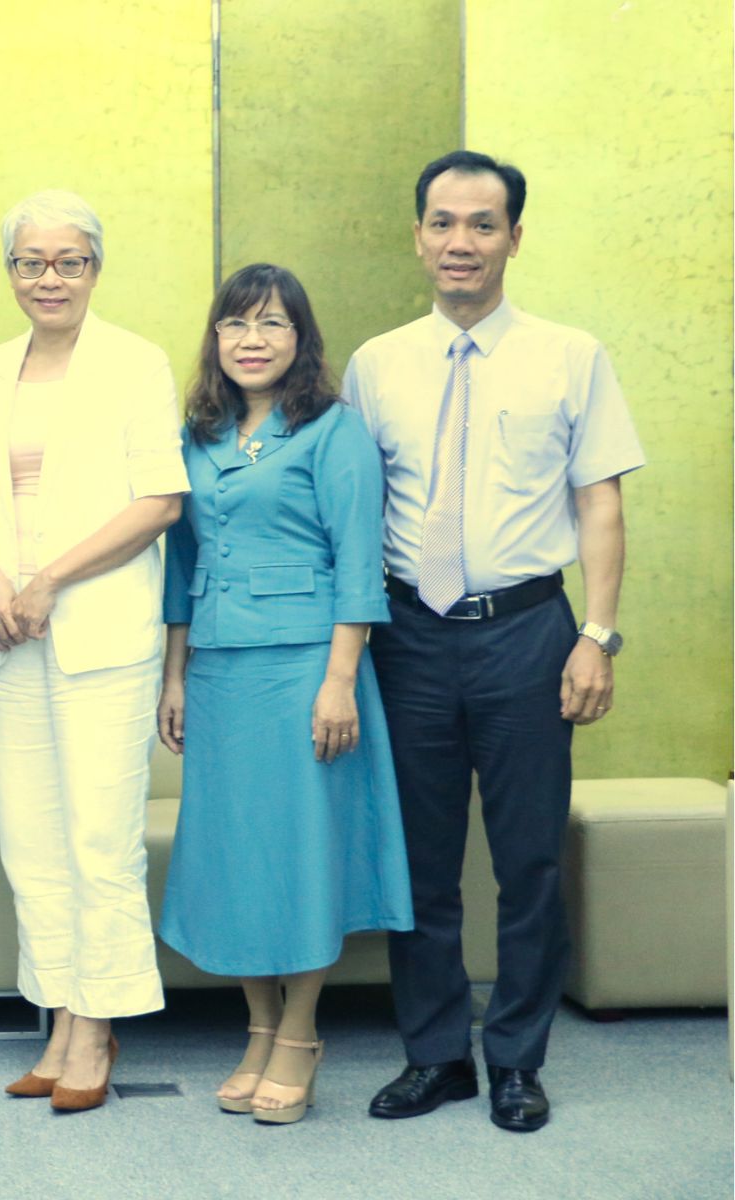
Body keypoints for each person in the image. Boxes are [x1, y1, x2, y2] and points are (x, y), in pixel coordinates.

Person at [348, 151, 642, 1133]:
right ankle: (435, 1056)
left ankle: (515, 1059)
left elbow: (597, 502)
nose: (458, 241)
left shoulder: (569, 355)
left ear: (513, 236)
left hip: (525, 633)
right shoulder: (374, 363)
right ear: (417, 234)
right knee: (419, 863)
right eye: (441, 222)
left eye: (480, 224)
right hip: (406, 640)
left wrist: (594, 634)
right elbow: (353, 515)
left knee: (527, 861)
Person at [155, 263, 414, 1125]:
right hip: (222, 671)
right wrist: (176, 673)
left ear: (300, 339)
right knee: (236, 856)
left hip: (307, 668)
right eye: (235, 325)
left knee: (302, 856)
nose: (252, 340)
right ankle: (259, 1027)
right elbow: (180, 565)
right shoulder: (197, 433)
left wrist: (341, 680)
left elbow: (358, 561)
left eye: (271, 324)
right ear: (215, 339)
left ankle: (301, 1033)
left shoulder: (333, 430)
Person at [0, 190, 183, 1114]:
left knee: (100, 840)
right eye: (31, 262)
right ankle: (58, 1017)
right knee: (33, 842)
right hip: (11, 639)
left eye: (69, 261)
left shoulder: (135, 363)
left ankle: (99, 1029)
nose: (50, 278)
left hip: (104, 632)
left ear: (94, 268)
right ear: (10, 274)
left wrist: (48, 579)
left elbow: (158, 501)